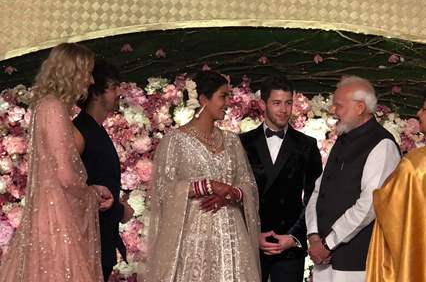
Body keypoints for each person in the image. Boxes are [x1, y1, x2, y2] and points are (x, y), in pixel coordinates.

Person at [0, 43, 114, 281]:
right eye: (87, 72)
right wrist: (93, 192)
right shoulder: (52, 108)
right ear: (71, 71)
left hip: (57, 212)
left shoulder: (53, 107)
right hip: (56, 218)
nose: (92, 80)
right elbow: (65, 176)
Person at [145, 70, 261, 282]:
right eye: (223, 96)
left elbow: (247, 184)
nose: (228, 103)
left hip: (232, 238)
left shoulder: (232, 141)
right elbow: (162, 190)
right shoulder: (175, 141)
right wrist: (206, 186)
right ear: (203, 100)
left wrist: (231, 193)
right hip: (193, 239)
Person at [305, 76, 401, 282]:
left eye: (338, 106)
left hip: (356, 264)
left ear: (359, 107)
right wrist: (313, 236)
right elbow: (318, 190)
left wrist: (328, 243)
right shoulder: (343, 138)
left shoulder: (382, 144)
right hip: (324, 257)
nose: (332, 111)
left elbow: (369, 205)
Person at [240, 76, 323, 282]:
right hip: (250, 243)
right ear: (263, 104)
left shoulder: (307, 145)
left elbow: (315, 197)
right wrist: (252, 234)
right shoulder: (242, 143)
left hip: (289, 246)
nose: (284, 110)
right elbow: (236, 195)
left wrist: (294, 237)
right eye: (277, 103)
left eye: (288, 103)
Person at [73, 58, 134, 281]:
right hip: (89, 242)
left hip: (102, 240)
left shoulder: (93, 130)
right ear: (96, 93)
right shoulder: (80, 132)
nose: (119, 92)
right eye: (113, 87)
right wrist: (120, 209)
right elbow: (73, 188)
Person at [366, 91, 426, 282]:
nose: (419, 113)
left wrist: (380, 194)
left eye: (425, 109)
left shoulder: (415, 165)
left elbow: (390, 210)